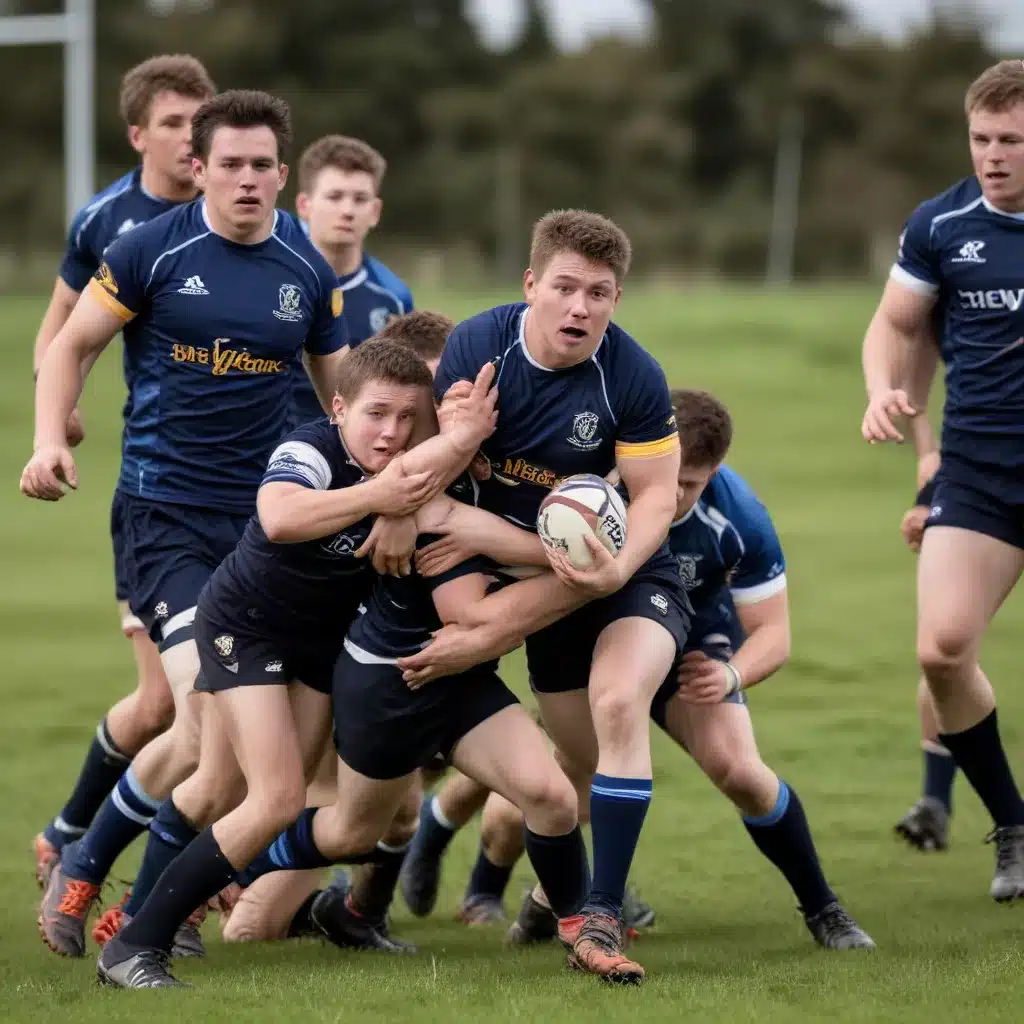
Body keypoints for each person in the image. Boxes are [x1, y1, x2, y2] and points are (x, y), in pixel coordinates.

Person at [96, 357, 614, 989]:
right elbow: (280, 517)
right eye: (376, 413)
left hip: (320, 646)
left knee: (295, 808)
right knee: (272, 797)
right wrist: (385, 497)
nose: (392, 432)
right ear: (338, 408)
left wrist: (571, 547)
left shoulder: (427, 473)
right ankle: (137, 940)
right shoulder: (311, 447)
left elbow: (450, 499)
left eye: (407, 418)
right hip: (246, 626)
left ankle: (581, 931)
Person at [23, 89, 350, 957]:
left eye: (263, 166)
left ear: (285, 173)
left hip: (261, 529)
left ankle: (122, 883)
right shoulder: (147, 249)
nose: (248, 181)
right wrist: (49, 438)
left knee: (228, 754)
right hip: (163, 515)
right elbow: (69, 346)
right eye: (231, 164)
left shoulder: (306, 269)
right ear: (199, 168)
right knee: (205, 723)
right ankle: (100, 878)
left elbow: (343, 397)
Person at [401, 389, 876, 951]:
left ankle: (825, 910)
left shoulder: (738, 515)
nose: (673, 496)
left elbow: (775, 633)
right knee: (536, 805)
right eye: (670, 475)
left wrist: (729, 676)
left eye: (691, 485)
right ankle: (466, 857)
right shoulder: (594, 483)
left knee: (740, 771)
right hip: (586, 636)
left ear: (716, 472)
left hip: (692, 652)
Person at [414, 208, 690, 982]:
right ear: (531, 284)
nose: (580, 308)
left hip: (628, 573)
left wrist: (614, 570)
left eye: (599, 293)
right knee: (578, 757)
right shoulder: (478, 343)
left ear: (616, 299)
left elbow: (657, 498)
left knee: (615, 704)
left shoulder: (631, 376)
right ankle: (531, 888)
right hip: (536, 569)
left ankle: (598, 913)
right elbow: (441, 465)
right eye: (565, 287)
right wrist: (461, 444)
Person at [208, 311, 456, 947]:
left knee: (396, 811)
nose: (408, 432)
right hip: (289, 643)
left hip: (355, 656)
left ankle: (355, 914)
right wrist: (389, 503)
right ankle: (186, 896)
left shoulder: (443, 464)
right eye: (389, 412)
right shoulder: (328, 453)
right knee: (254, 799)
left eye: (423, 411)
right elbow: (281, 520)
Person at [31, 54, 216, 891]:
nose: (190, 138)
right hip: (162, 487)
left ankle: (87, 842)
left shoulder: (248, 215)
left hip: (250, 488)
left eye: (199, 121)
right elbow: (61, 332)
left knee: (194, 704)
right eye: (174, 122)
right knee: (171, 706)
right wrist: (58, 414)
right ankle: (85, 848)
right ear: (139, 133)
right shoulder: (110, 221)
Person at [860, 59, 1024, 900]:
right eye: (983, 139)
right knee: (942, 650)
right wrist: (884, 388)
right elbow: (892, 325)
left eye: (1013, 142)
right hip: (982, 476)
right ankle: (1013, 826)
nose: (994, 156)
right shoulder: (943, 223)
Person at [289, 135, 414, 427]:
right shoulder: (275, 278)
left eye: (359, 199)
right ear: (304, 205)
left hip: (349, 453)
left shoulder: (393, 297)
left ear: (375, 212)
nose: (347, 210)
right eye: (334, 197)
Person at [891, 338, 961, 851]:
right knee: (944, 648)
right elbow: (915, 353)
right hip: (980, 482)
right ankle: (936, 800)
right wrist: (928, 485)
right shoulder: (963, 268)